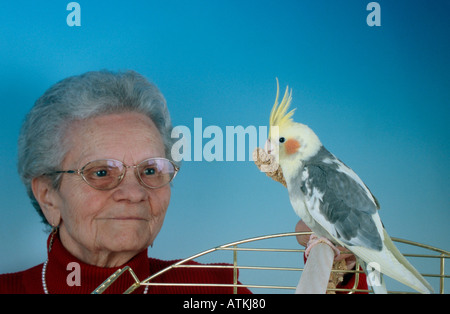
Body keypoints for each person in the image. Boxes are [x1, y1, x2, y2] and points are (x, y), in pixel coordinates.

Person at [0, 70, 365, 294]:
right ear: (48, 196)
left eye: (150, 171)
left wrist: (339, 270)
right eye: (101, 173)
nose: (133, 193)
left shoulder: (214, 291)